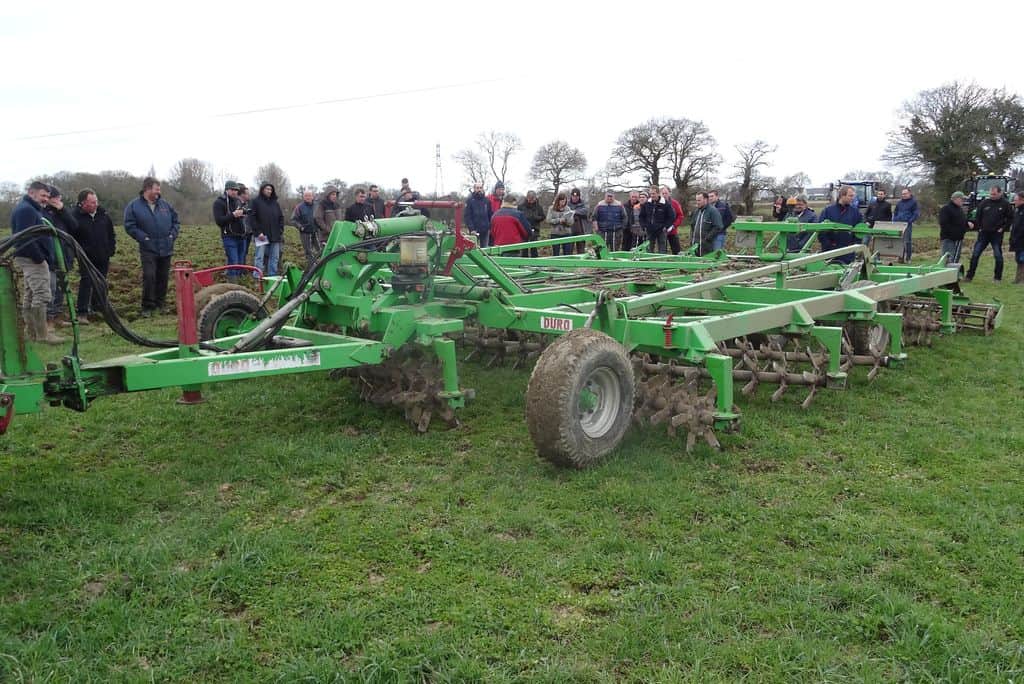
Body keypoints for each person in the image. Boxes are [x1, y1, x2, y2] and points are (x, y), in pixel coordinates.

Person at [10, 182, 63, 343]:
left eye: (47, 196)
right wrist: (39, 258)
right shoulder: (26, 210)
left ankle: (32, 333)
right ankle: (43, 335)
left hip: (30, 258)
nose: (46, 199)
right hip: (32, 258)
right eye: (43, 195)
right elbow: (25, 238)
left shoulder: (31, 209)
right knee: (41, 294)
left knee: (31, 294)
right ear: (31, 193)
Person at [124, 177, 179, 316]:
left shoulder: (165, 205)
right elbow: (129, 225)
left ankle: (161, 304)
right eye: (156, 189)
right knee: (149, 276)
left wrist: (173, 235)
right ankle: (147, 306)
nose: (159, 192)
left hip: (166, 247)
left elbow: (176, 221)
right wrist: (143, 237)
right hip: (148, 248)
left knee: (163, 277)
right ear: (147, 189)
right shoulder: (134, 206)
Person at [70, 189, 116, 323]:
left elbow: (111, 234)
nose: (95, 204)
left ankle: (98, 307)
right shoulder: (74, 217)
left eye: (96, 201)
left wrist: (111, 249)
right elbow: (71, 238)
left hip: (103, 255)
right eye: (92, 202)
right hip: (85, 257)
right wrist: (78, 253)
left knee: (101, 282)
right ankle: (82, 312)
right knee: (86, 282)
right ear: (83, 203)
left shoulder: (103, 214)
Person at [41, 186, 77, 324]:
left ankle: (57, 315)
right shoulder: (43, 213)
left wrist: (63, 210)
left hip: (64, 255)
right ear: (49, 199)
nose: (59, 201)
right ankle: (48, 318)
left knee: (62, 287)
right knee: (51, 288)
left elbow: (74, 226)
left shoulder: (62, 213)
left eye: (59, 198)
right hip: (51, 256)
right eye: (56, 198)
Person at [966, 185, 1014, 282]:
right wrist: (979, 227)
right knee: (975, 254)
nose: (992, 195)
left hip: (996, 234)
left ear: (1000, 193)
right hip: (983, 234)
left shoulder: (1005, 204)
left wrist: (1003, 228)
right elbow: (978, 216)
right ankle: (969, 276)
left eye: (994, 194)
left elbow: (1010, 218)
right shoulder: (984, 203)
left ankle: (997, 278)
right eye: (991, 194)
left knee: (998, 256)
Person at [816, 185, 860, 264]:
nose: (852, 198)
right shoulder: (828, 211)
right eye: (850, 196)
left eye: (853, 196)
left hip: (848, 253)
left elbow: (859, 231)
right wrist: (828, 245)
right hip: (830, 253)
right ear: (842, 195)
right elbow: (821, 231)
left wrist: (853, 245)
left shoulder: (855, 212)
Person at [212, 180, 247, 280]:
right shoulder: (219, 203)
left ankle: (240, 285)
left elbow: (240, 217)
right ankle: (232, 285)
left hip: (241, 236)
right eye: (232, 190)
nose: (235, 192)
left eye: (236, 190)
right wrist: (233, 215)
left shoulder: (238, 201)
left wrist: (242, 214)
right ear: (227, 190)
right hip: (229, 237)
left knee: (240, 263)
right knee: (233, 263)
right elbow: (219, 221)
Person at [250, 182, 285, 277]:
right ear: (262, 190)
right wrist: (258, 233)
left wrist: (280, 229)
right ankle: (257, 276)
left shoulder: (275, 203)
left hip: (275, 235)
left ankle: (272, 275)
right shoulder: (255, 202)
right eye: (267, 189)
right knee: (259, 256)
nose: (269, 191)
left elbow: (281, 217)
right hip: (262, 235)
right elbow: (252, 218)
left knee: (275, 257)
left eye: (270, 189)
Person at [639, 185, 676, 254]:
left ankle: (661, 263)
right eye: (650, 194)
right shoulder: (647, 204)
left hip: (661, 230)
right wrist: (644, 226)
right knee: (648, 249)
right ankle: (648, 264)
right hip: (650, 230)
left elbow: (672, 217)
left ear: (658, 193)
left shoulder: (665, 204)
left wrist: (666, 226)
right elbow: (641, 216)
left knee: (662, 249)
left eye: (653, 193)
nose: (652, 195)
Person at [937, 191, 971, 265]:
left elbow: (961, 221)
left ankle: (953, 275)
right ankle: (946, 275)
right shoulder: (946, 209)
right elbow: (943, 223)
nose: (963, 201)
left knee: (955, 258)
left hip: (958, 239)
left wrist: (967, 224)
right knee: (948, 258)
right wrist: (954, 234)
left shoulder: (959, 209)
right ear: (956, 199)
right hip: (949, 238)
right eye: (962, 199)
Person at [290, 189, 319, 267]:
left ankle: (321, 265)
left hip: (316, 232)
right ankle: (313, 268)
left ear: (312, 197)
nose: (308, 197)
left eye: (309, 195)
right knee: (309, 252)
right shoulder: (299, 207)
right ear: (303, 197)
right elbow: (293, 220)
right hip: (305, 233)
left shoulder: (317, 206)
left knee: (320, 249)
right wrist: (301, 227)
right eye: (306, 196)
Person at [689, 192, 723, 256]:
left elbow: (718, 227)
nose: (697, 202)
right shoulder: (696, 212)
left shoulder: (713, 211)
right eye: (696, 200)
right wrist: (691, 239)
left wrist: (708, 238)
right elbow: (692, 226)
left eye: (699, 200)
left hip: (707, 246)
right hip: (695, 245)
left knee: (706, 262)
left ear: (705, 200)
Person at [893, 187, 920, 263]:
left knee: (907, 241)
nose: (903, 195)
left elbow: (916, 214)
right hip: (898, 224)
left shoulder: (913, 202)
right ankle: (900, 257)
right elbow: (895, 212)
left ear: (909, 193)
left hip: (907, 224)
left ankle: (908, 258)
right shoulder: (899, 203)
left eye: (905, 193)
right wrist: (895, 219)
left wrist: (909, 221)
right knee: (899, 241)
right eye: (902, 194)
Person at [463, 182, 494, 247]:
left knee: (485, 250)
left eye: (480, 188)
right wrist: (471, 229)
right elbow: (467, 216)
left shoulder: (487, 201)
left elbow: (490, 214)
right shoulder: (470, 201)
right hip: (474, 230)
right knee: (473, 249)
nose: (479, 189)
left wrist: (489, 226)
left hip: (485, 230)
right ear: (474, 189)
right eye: (477, 188)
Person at [518, 191, 546, 257]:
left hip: (535, 229)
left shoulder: (539, 207)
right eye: (530, 199)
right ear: (527, 198)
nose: (531, 201)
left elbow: (543, 216)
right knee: (524, 247)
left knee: (534, 247)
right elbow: (518, 217)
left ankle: (535, 262)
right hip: (524, 229)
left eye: (533, 199)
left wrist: (537, 218)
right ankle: (524, 263)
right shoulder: (521, 207)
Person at [661, 186, 685, 255]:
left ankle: (677, 264)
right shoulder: (658, 203)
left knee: (676, 250)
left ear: (670, 193)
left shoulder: (675, 203)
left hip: (672, 231)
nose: (664, 195)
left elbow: (680, 216)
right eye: (663, 193)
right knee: (662, 251)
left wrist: (674, 225)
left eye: (666, 193)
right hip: (661, 232)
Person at [568, 188, 590, 254]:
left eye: (576, 196)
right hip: (569, 230)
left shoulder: (583, 203)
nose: (575, 198)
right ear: (571, 196)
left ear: (579, 196)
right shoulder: (567, 204)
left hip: (581, 229)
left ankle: (581, 263)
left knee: (581, 250)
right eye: (573, 196)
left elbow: (586, 211)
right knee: (569, 249)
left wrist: (575, 212)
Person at [1010, 190, 1024, 284]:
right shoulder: (1018, 210)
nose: (1014, 202)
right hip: (1017, 240)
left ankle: (1021, 280)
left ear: (1022, 200)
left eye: (1016, 200)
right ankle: (1018, 279)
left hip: (1022, 240)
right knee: (1018, 259)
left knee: (1022, 259)